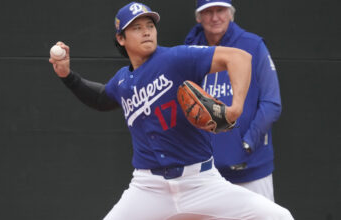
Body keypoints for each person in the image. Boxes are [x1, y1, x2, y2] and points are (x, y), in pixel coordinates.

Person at [49, 2, 293, 219]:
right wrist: (66, 75)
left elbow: (239, 58)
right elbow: (101, 98)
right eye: (136, 28)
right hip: (148, 187)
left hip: (199, 181)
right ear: (121, 39)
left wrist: (235, 108)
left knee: (278, 216)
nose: (146, 31)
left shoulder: (175, 58)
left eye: (150, 25)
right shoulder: (122, 81)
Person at [185, 0, 282, 201]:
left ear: (231, 13)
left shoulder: (253, 45)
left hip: (250, 171)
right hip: (203, 173)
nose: (214, 17)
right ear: (198, 17)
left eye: (220, 10)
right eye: (208, 12)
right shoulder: (189, 51)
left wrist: (247, 143)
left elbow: (271, 103)